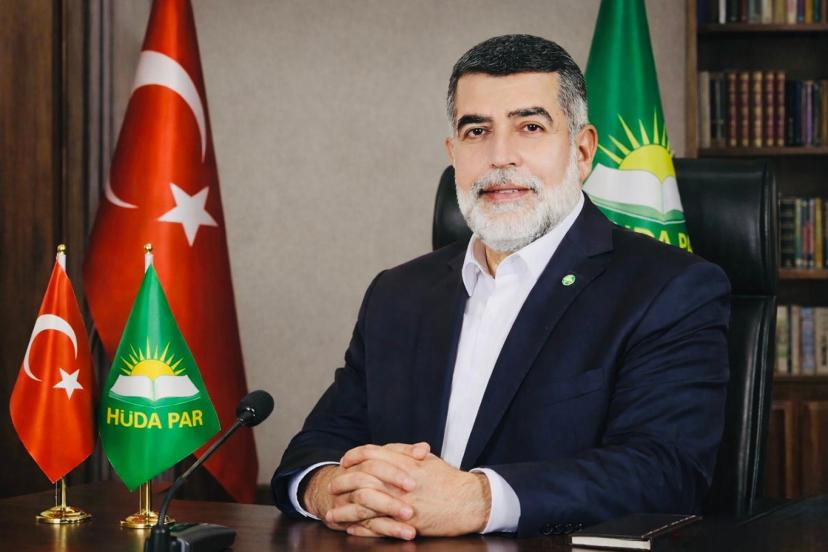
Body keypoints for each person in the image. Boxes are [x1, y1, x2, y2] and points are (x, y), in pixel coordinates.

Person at [271, 34, 730, 540]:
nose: (500, 156)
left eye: (530, 127)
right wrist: (331, 489)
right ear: (453, 153)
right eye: (477, 132)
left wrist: (480, 500)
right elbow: (315, 447)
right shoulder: (397, 293)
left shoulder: (668, 290)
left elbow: (665, 471)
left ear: (581, 151)